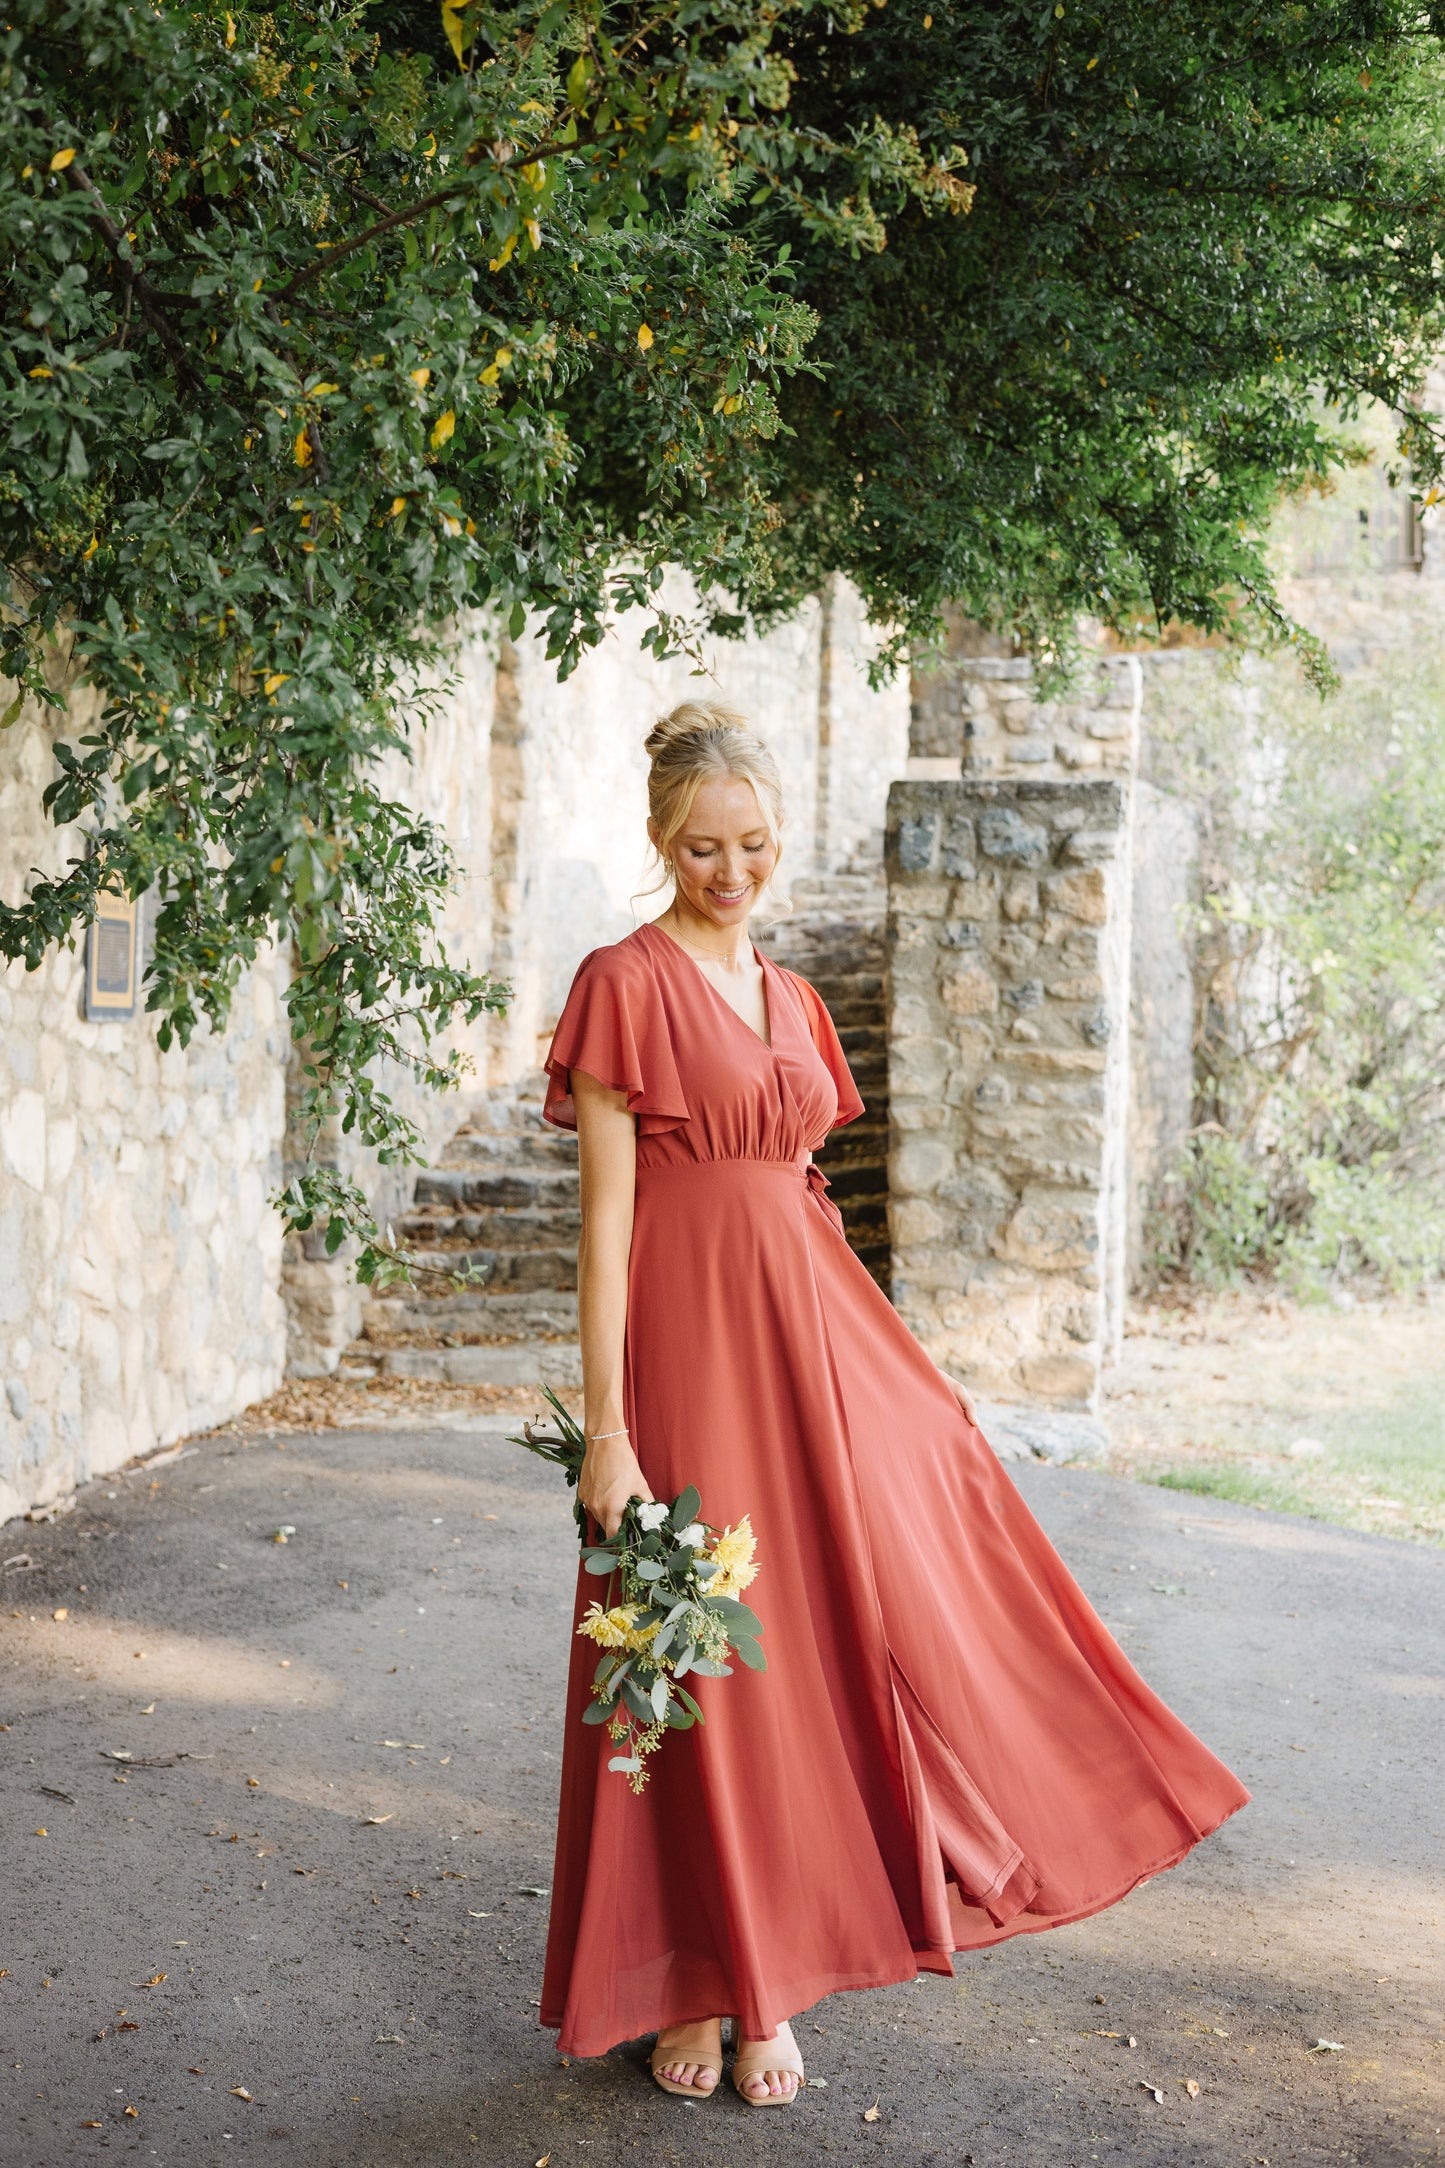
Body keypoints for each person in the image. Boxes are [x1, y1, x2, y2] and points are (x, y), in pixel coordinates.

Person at [537, 699, 1248, 2105]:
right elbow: (605, 1230)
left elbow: (804, 1199)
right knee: (688, 1664)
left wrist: (874, 1370)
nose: (727, 872)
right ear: (659, 841)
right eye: (698, 848)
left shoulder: (794, 1000)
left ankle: (773, 1992)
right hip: (686, 1354)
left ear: (779, 837)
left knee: (802, 1656)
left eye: (749, 844)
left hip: (807, 1350)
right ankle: (692, 1977)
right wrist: (607, 1427)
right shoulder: (621, 980)